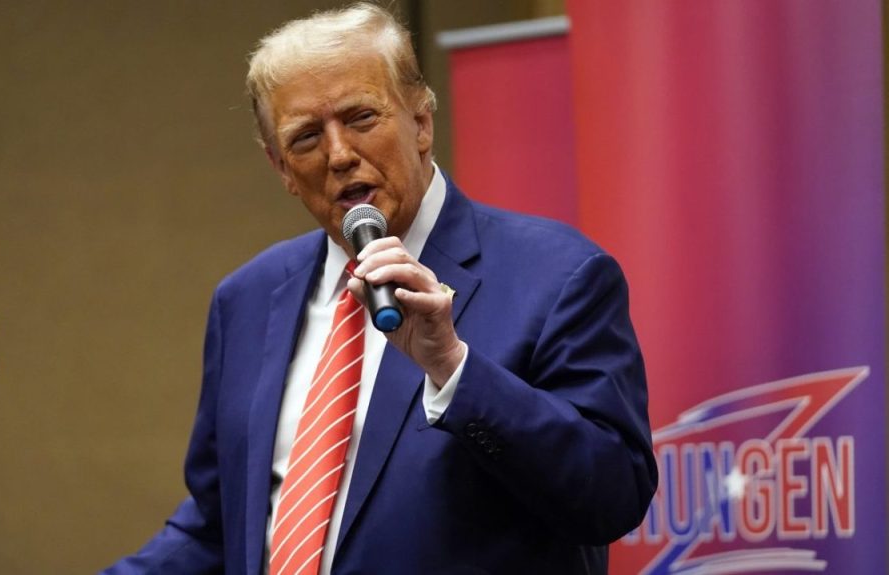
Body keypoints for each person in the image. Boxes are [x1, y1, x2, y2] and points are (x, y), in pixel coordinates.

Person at [103, 3, 656, 574]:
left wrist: (454, 369)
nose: (339, 155)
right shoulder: (247, 299)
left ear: (421, 122)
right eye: (306, 137)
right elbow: (220, 526)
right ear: (281, 168)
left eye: (361, 117)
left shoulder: (557, 276)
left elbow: (613, 496)